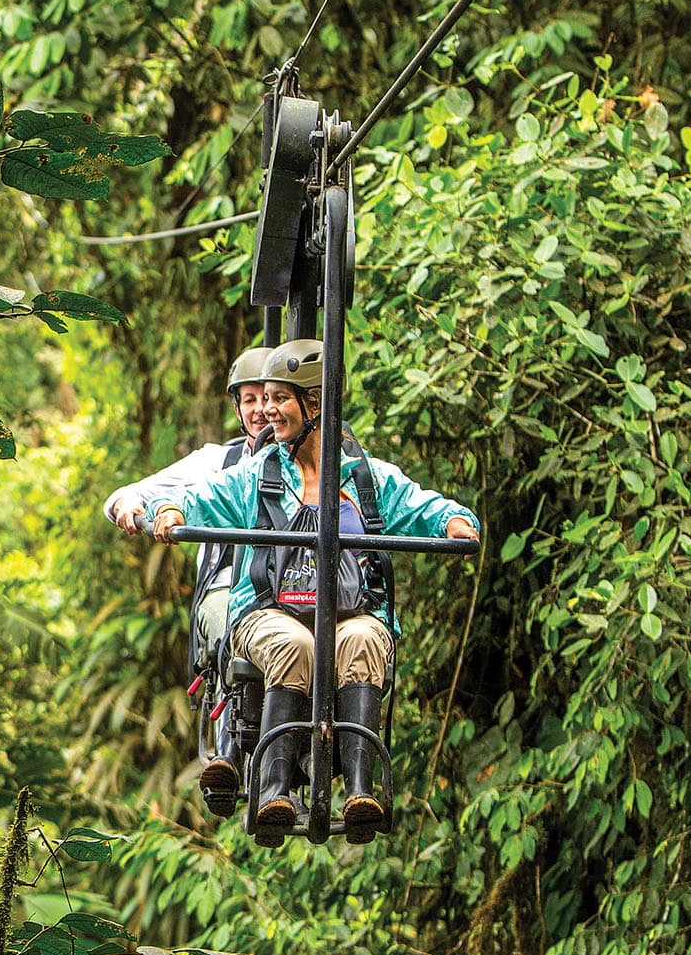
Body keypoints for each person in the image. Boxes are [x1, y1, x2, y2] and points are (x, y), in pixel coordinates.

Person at [148, 339, 479, 836]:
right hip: (270, 613)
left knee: (365, 640)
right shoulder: (260, 474)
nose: (269, 411)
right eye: (265, 398)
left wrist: (454, 521)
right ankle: (273, 789)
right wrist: (172, 511)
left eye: (281, 398)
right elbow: (203, 499)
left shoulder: (364, 477)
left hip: (349, 610)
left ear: (315, 403)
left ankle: (362, 789)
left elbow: (421, 505)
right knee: (295, 644)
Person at [105, 345, 272, 654]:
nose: (261, 410)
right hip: (231, 587)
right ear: (237, 410)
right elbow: (131, 494)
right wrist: (129, 506)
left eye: (269, 398)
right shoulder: (218, 463)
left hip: (293, 588)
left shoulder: (312, 463)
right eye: (250, 400)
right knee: (237, 635)